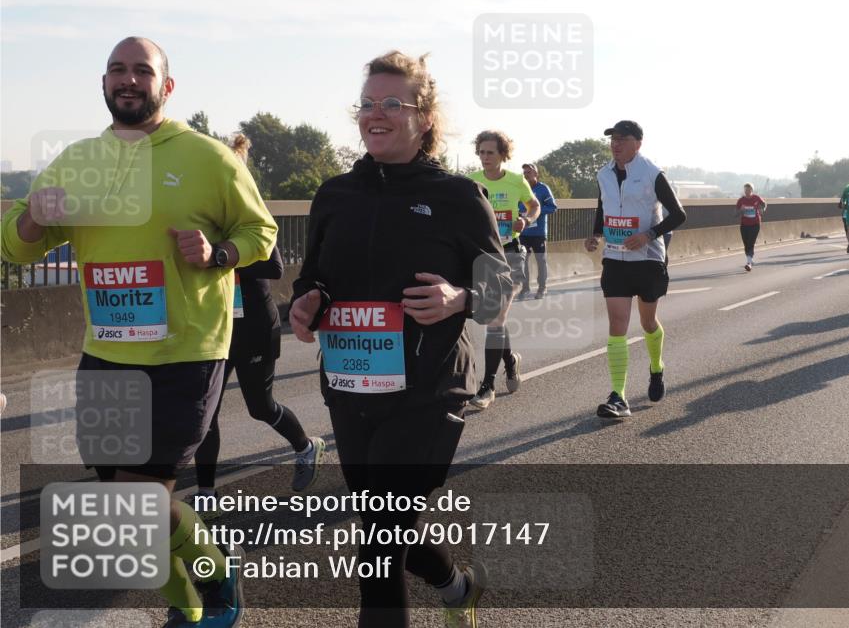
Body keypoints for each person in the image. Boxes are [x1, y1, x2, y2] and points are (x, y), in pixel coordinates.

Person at [1, 37, 276, 627]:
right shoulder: (78, 160)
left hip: (187, 351)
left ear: (166, 86)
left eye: (142, 71)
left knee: (140, 504)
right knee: (123, 508)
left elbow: (262, 231)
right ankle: (187, 606)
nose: (129, 80)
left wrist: (218, 250)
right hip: (106, 351)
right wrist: (32, 216)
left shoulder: (208, 157)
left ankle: (214, 575)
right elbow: (16, 243)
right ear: (103, 84)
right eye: (117, 71)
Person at [288, 50, 510, 628]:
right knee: (382, 527)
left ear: (424, 118)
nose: (375, 114)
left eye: (392, 103)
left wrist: (459, 299)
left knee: (378, 548)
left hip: (428, 392)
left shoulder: (458, 196)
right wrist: (307, 302)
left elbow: (500, 285)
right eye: (366, 104)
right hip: (350, 385)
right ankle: (457, 587)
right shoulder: (335, 195)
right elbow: (313, 278)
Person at [190, 134, 324, 518]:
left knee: (259, 407)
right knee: (206, 410)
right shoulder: (198, 213)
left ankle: (305, 446)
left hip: (252, 325)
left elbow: (274, 267)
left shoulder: (250, 213)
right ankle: (205, 491)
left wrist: (220, 256)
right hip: (213, 325)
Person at [584, 120, 687, 420]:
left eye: (622, 139)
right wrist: (596, 234)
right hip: (615, 258)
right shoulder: (603, 173)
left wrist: (649, 235)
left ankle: (656, 368)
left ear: (638, 143)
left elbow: (679, 214)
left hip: (648, 259)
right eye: (612, 139)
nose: (615, 144)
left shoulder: (652, 174)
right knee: (617, 324)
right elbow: (603, 207)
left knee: (648, 322)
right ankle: (619, 396)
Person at [467, 130, 540, 410]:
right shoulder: (472, 182)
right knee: (492, 318)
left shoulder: (515, 181)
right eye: (482, 152)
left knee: (496, 321)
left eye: (491, 153)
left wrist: (526, 219)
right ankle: (510, 360)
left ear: (502, 155)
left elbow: (534, 205)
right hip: (483, 256)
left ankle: (486, 387)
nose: (485, 158)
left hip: (510, 254)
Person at [517, 163, 558, 299]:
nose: (526, 175)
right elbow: (514, 206)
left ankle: (542, 288)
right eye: (524, 172)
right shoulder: (520, 189)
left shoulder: (543, 189)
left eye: (529, 172)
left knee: (541, 261)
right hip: (523, 232)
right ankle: (525, 288)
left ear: (536, 174)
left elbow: (552, 207)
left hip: (539, 233)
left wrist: (535, 212)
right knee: (523, 261)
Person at [735, 183, 766, 271]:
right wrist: (741, 210)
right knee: (746, 244)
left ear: (752, 190)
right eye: (746, 190)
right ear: (744, 191)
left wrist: (762, 210)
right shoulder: (741, 200)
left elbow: (764, 204)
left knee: (751, 242)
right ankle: (750, 259)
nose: (747, 192)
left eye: (749, 190)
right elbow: (735, 214)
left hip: (755, 224)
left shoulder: (757, 198)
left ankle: (748, 263)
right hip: (744, 225)